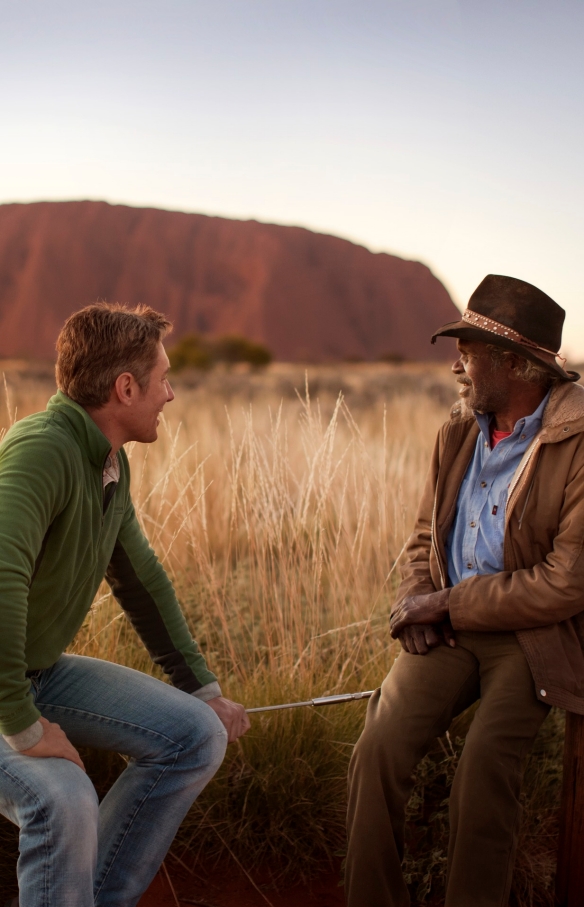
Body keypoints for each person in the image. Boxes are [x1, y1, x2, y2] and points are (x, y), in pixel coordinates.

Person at [0, 303, 250, 907]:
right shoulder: (44, 450)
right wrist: (23, 726)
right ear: (125, 387)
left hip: (37, 673)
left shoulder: (107, 462)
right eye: (163, 378)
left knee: (195, 735)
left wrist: (202, 689)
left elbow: (141, 580)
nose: (170, 393)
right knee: (63, 798)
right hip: (4, 687)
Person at [346, 274, 584, 907]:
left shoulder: (577, 441)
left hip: (529, 639)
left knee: (483, 772)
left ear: (514, 363)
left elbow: (568, 582)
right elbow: (425, 534)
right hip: (448, 629)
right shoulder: (457, 430)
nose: (457, 364)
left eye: (470, 350)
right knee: (376, 752)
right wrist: (418, 599)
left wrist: (447, 602)